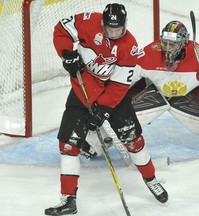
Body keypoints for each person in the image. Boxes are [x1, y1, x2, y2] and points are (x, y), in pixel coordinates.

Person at [44, 3, 168, 216]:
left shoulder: (129, 46)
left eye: (118, 29)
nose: (113, 33)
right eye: (109, 29)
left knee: (133, 140)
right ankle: (68, 199)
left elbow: (119, 86)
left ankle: (151, 179)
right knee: (68, 145)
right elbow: (62, 30)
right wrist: (67, 53)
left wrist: (103, 110)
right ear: (102, 23)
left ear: (124, 25)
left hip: (114, 97)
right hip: (82, 91)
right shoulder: (87, 22)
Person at [129, 20, 199, 139]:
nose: (168, 48)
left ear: (183, 43)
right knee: (123, 119)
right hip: (155, 94)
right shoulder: (148, 53)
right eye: (165, 43)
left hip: (190, 96)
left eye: (172, 44)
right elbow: (125, 81)